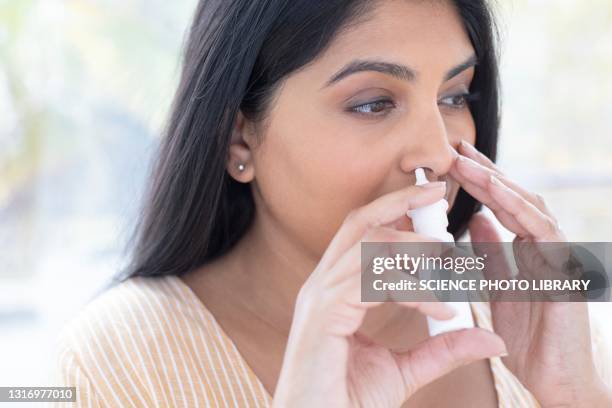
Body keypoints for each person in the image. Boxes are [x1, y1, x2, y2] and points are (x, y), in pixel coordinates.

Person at [52, 0, 612, 406]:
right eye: (372, 103)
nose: (437, 152)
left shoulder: (535, 311)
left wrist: (574, 396)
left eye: (454, 95)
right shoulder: (119, 364)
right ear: (239, 138)